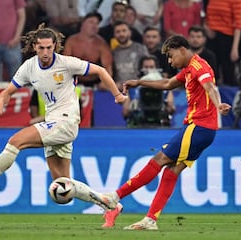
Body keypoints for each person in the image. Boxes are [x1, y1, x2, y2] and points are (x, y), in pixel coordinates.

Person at [0, 24, 128, 210]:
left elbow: (100, 71)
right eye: (41, 48)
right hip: (52, 122)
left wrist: (117, 95)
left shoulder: (66, 63)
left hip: (66, 121)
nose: (45, 52)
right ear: (34, 47)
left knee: (15, 141)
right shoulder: (29, 67)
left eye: (49, 48)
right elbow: (9, 91)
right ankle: (109, 203)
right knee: (62, 184)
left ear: (55, 46)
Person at [91, 35, 231, 229]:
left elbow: (210, 86)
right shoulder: (189, 68)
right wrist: (140, 82)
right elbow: (167, 84)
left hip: (198, 127)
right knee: (171, 170)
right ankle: (150, 219)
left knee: (159, 159)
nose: (170, 61)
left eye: (171, 56)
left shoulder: (199, 67)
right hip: (202, 129)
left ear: (182, 49)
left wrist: (218, 105)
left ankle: (114, 197)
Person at [63, 12, 113, 90]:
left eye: (97, 23)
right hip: (75, 81)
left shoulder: (101, 44)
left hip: (95, 83)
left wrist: (105, 83)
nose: (94, 26)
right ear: (83, 23)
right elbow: (65, 65)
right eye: (91, 22)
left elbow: (108, 68)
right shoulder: (71, 41)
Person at [122, 55, 175, 128]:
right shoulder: (132, 86)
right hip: (138, 124)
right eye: (146, 67)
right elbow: (125, 112)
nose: (149, 70)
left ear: (156, 68)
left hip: (159, 124)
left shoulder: (165, 86)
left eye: (151, 67)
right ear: (140, 69)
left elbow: (171, 109)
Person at [205, 0, 241, 86]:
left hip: (227, 38)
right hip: (211, 38)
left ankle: (230, 97)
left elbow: (238, 25)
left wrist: (235, 48)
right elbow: (206, 16)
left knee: (228, 73)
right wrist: (207, 28)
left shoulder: (236, 1)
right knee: (211, 72)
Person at [112, 21, 148, 89]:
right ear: (114, 35)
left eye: (124, 31)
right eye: (118, 32)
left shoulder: (140, 49)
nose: (121, 34)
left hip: (138, 89)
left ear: (129, 32)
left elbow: (148, 69)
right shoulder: (113, 53)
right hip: (120, 90)